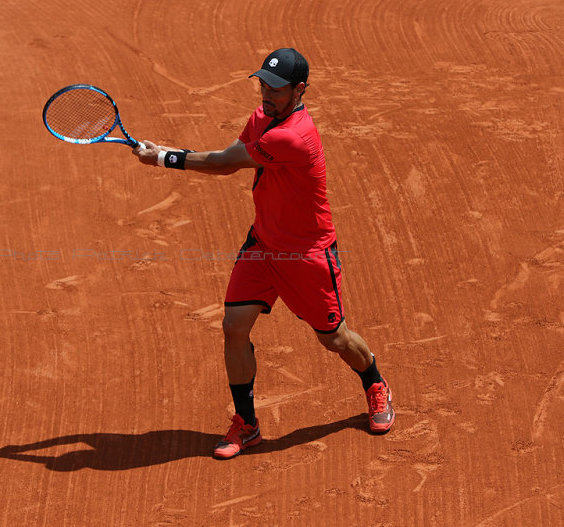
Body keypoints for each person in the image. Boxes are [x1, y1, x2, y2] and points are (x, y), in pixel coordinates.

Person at [133, 48, 394, 460]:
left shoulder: (292, 135)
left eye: (276, 88)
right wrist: (168, 154)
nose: (266, 94)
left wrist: (163, 156)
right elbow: (228, 157)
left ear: (300, 89)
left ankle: (375, 382)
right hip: (263, 245)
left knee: (335, 339)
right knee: (235, 326)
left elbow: (223, 164)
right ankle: (247, 424)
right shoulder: (262, 117)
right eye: (262, 85)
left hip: (307, 255)